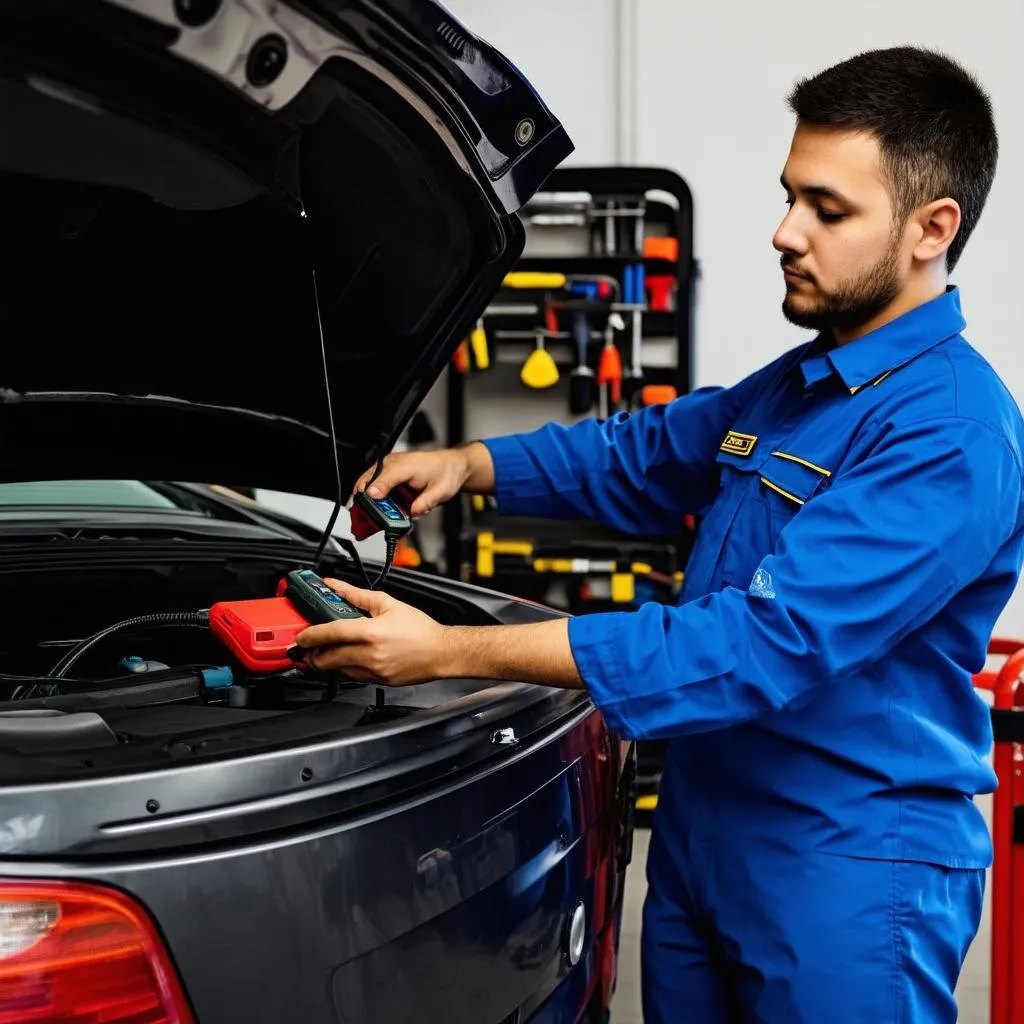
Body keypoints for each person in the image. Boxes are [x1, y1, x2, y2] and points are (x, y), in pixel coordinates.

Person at [293, 47, 1024, 1023]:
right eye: (787, 195)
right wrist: (472, 466)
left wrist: (450, 651)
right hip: (705, 826)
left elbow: (759, 642)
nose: (782, 232)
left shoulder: (949, 433)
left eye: (826, 209)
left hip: (845, 861)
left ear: (934, 228)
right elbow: (642, 451)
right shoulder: (802, 384)